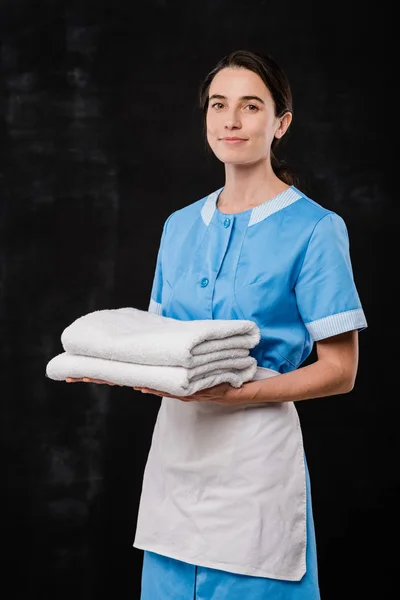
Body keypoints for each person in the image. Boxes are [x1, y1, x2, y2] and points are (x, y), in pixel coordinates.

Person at [68, 49, 368, 599]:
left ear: (281, 123)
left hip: (256, 462)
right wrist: (106, 365)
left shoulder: (316, 229)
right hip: (176, 457)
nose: (231, 120)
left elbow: (341, 370)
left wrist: (237, 395)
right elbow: (156, 346)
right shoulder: (180, 226)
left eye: (250, 106)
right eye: (218, 104)